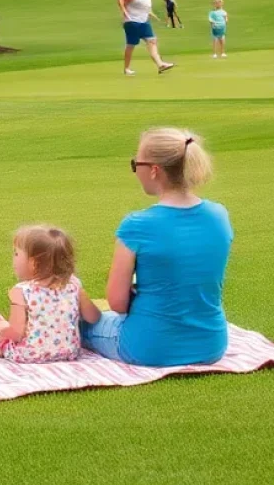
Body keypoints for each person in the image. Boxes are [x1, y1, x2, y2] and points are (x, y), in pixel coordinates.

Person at [80, 128, 233, 367]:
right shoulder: (219, 215)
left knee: (80, 321)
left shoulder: (137, 225)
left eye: (135, 164)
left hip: (149, 347)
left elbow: (117, 303)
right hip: (211, 344)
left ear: (154, 170)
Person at [0, 225, 100, 363]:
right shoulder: (74, 285)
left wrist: (0, 332)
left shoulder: (21, 291)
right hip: (70, 352)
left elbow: (16, 333)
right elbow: (93, 317)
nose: (13, 259)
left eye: (16, 254)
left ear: (34, 263)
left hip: (29, 355)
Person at [117, 0, 175, 76]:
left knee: (152, 41)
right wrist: (124, 11)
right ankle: (126, 69)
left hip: (144, 22)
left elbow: (145, 9)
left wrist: (153, 15)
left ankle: (160, 64)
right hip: (132, 22)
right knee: (131, 45)